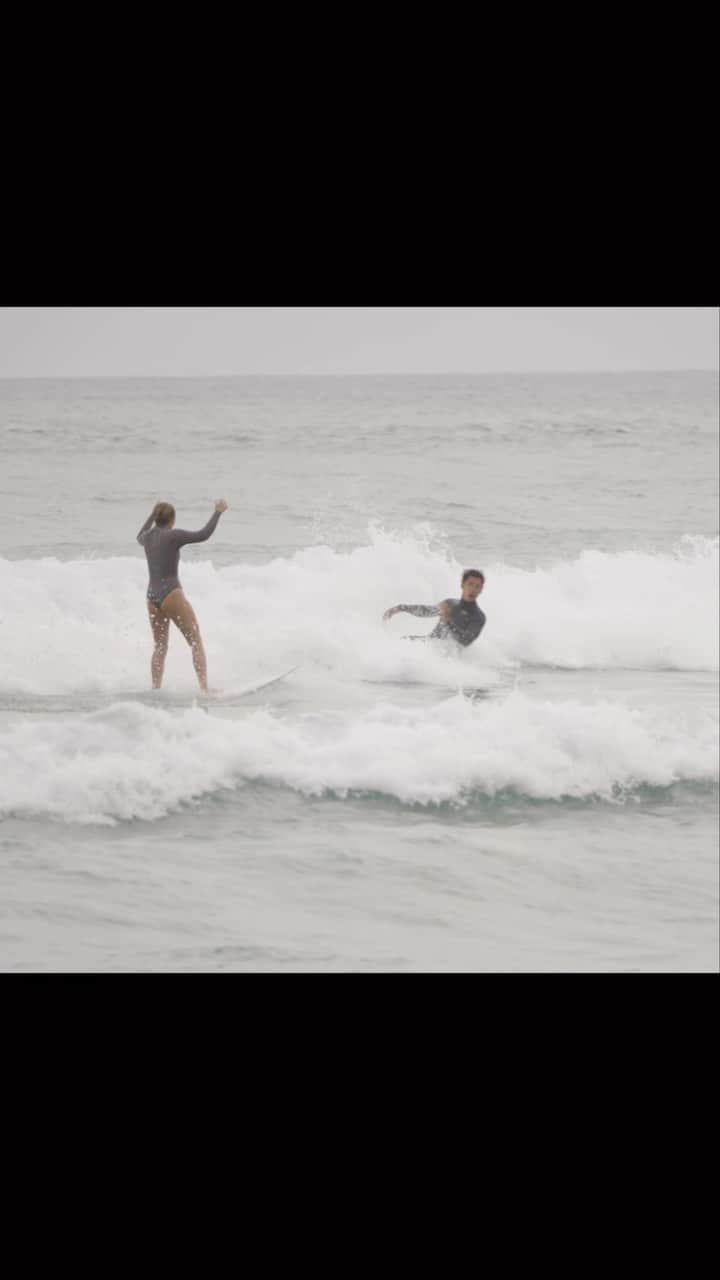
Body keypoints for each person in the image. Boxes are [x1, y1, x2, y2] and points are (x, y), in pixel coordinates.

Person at [137, 498, 228, 692]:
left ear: (156, 518)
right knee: (195, 640)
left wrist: (152, 515)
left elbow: (138, 535)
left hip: (151, 597)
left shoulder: (147, 537)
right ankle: (205, 689)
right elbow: (204, 534)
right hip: (171, 593)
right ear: (172, 520)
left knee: (160, 646)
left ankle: (155, 689)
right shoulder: (173, 536)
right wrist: (218, 512)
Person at [383, 569, 486, 647]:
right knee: (401, 641)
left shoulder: (478, 617)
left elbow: (465, 642)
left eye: (477, 586)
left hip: (449, 658)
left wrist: (448, 622)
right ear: (463, 585)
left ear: (481, 590)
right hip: (430, 645)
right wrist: (402, 608)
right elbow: (427, 611)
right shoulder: (450, 604)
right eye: (470, 584)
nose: (473, 589)